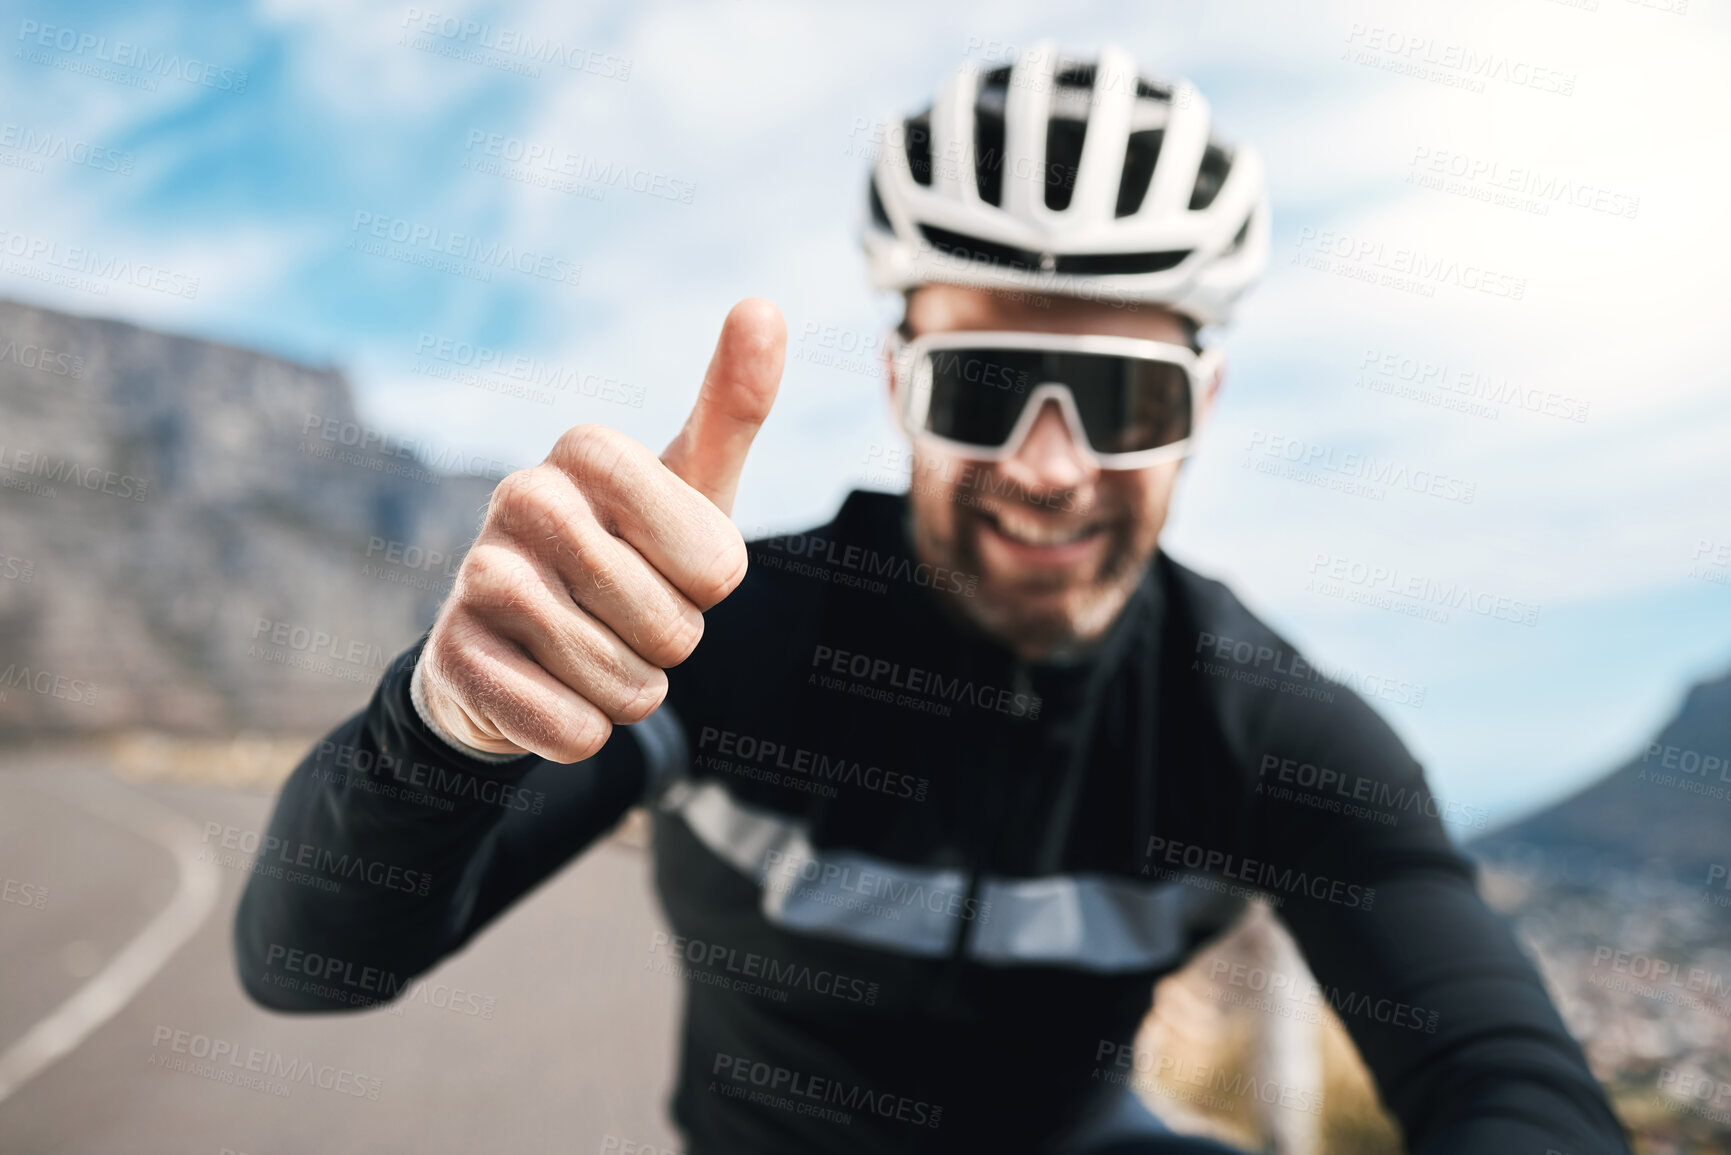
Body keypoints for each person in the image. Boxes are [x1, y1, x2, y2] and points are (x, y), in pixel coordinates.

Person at [235, 42, 1631, 1154]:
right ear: (901, 389)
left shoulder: (1261, 723)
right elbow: (312, 964)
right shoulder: (722, 642)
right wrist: (445, 732)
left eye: (1120, 397)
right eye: (983, 386)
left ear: (1198, 408)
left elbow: (1499, 1072)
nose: (1048, 470)